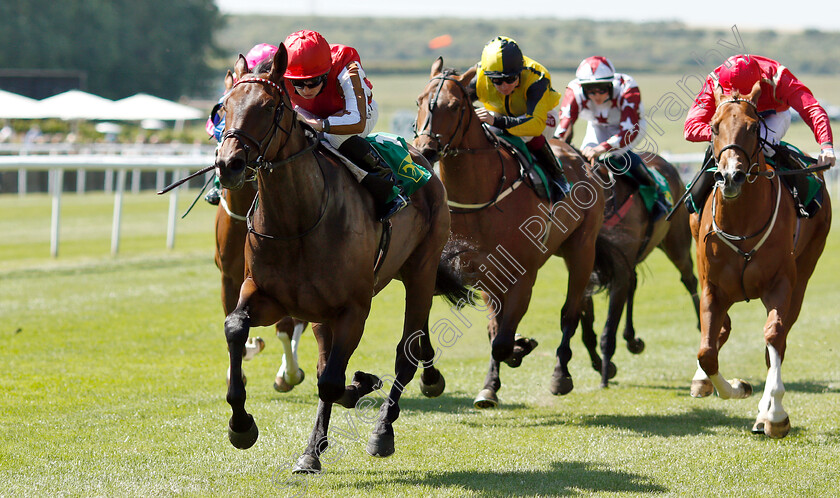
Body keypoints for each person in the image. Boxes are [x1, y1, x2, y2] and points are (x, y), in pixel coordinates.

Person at [684, 54, 835, 215]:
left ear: (760, 83)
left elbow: (811, 108)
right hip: (732, 122)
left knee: (765, 146)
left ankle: (801, 191)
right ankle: (697, 196)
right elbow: (691, 128)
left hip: (773, 115)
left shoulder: (779, 77)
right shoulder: (715, 81)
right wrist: (727, 135)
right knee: (723, 149)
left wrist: (826, 146)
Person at [283, 29, 409, 222]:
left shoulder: (346, 65)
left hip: (359, 114)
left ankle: (386, 182)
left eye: (313, 82)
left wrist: (316, 124)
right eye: (298, 84)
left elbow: (356, 122)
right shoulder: (282, 70)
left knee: (334, 136)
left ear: (325, 73)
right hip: (314, 114)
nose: (306, 90)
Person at [555, 56, 670, 221]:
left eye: (602, 89)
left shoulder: (627, 87)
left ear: (611, 84)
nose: (596, 95)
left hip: (629, 128)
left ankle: (657, 193)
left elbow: (627, 132)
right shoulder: (574, 90)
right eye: (590, 90)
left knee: (616, 156)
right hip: (596, 126)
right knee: (586, 162)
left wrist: (601, 148)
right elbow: (563, 128)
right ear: (582, 88)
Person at [468, 36, 568, 203]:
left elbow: (534, 125)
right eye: (497, 81)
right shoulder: (479, 78)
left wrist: (497, 122)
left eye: (511, 79)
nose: (504, 86)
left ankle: (557, 175)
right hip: (500, 113)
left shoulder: (537, 77)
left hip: (539, 118)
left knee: (526, 134)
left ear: (520, 72)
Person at [204, 43, 279, 205]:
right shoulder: (232, 94)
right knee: (222, 142)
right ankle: (218, 186)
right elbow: (213, 126)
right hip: (233, 138)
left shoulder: (277, 91)